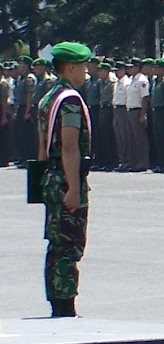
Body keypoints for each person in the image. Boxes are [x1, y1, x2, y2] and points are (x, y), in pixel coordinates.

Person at [35, 41, 95, 318]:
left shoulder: (49, 97)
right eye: (83, 66)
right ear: (70, 67)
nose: (86, 71)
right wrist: (73, 188)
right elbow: (70, 146)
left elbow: (42, 147)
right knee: (69, 246)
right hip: (66, 179)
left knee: (57, 243)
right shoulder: (69, 100)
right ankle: (65, 307)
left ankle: (57, 303)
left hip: (52, 177)